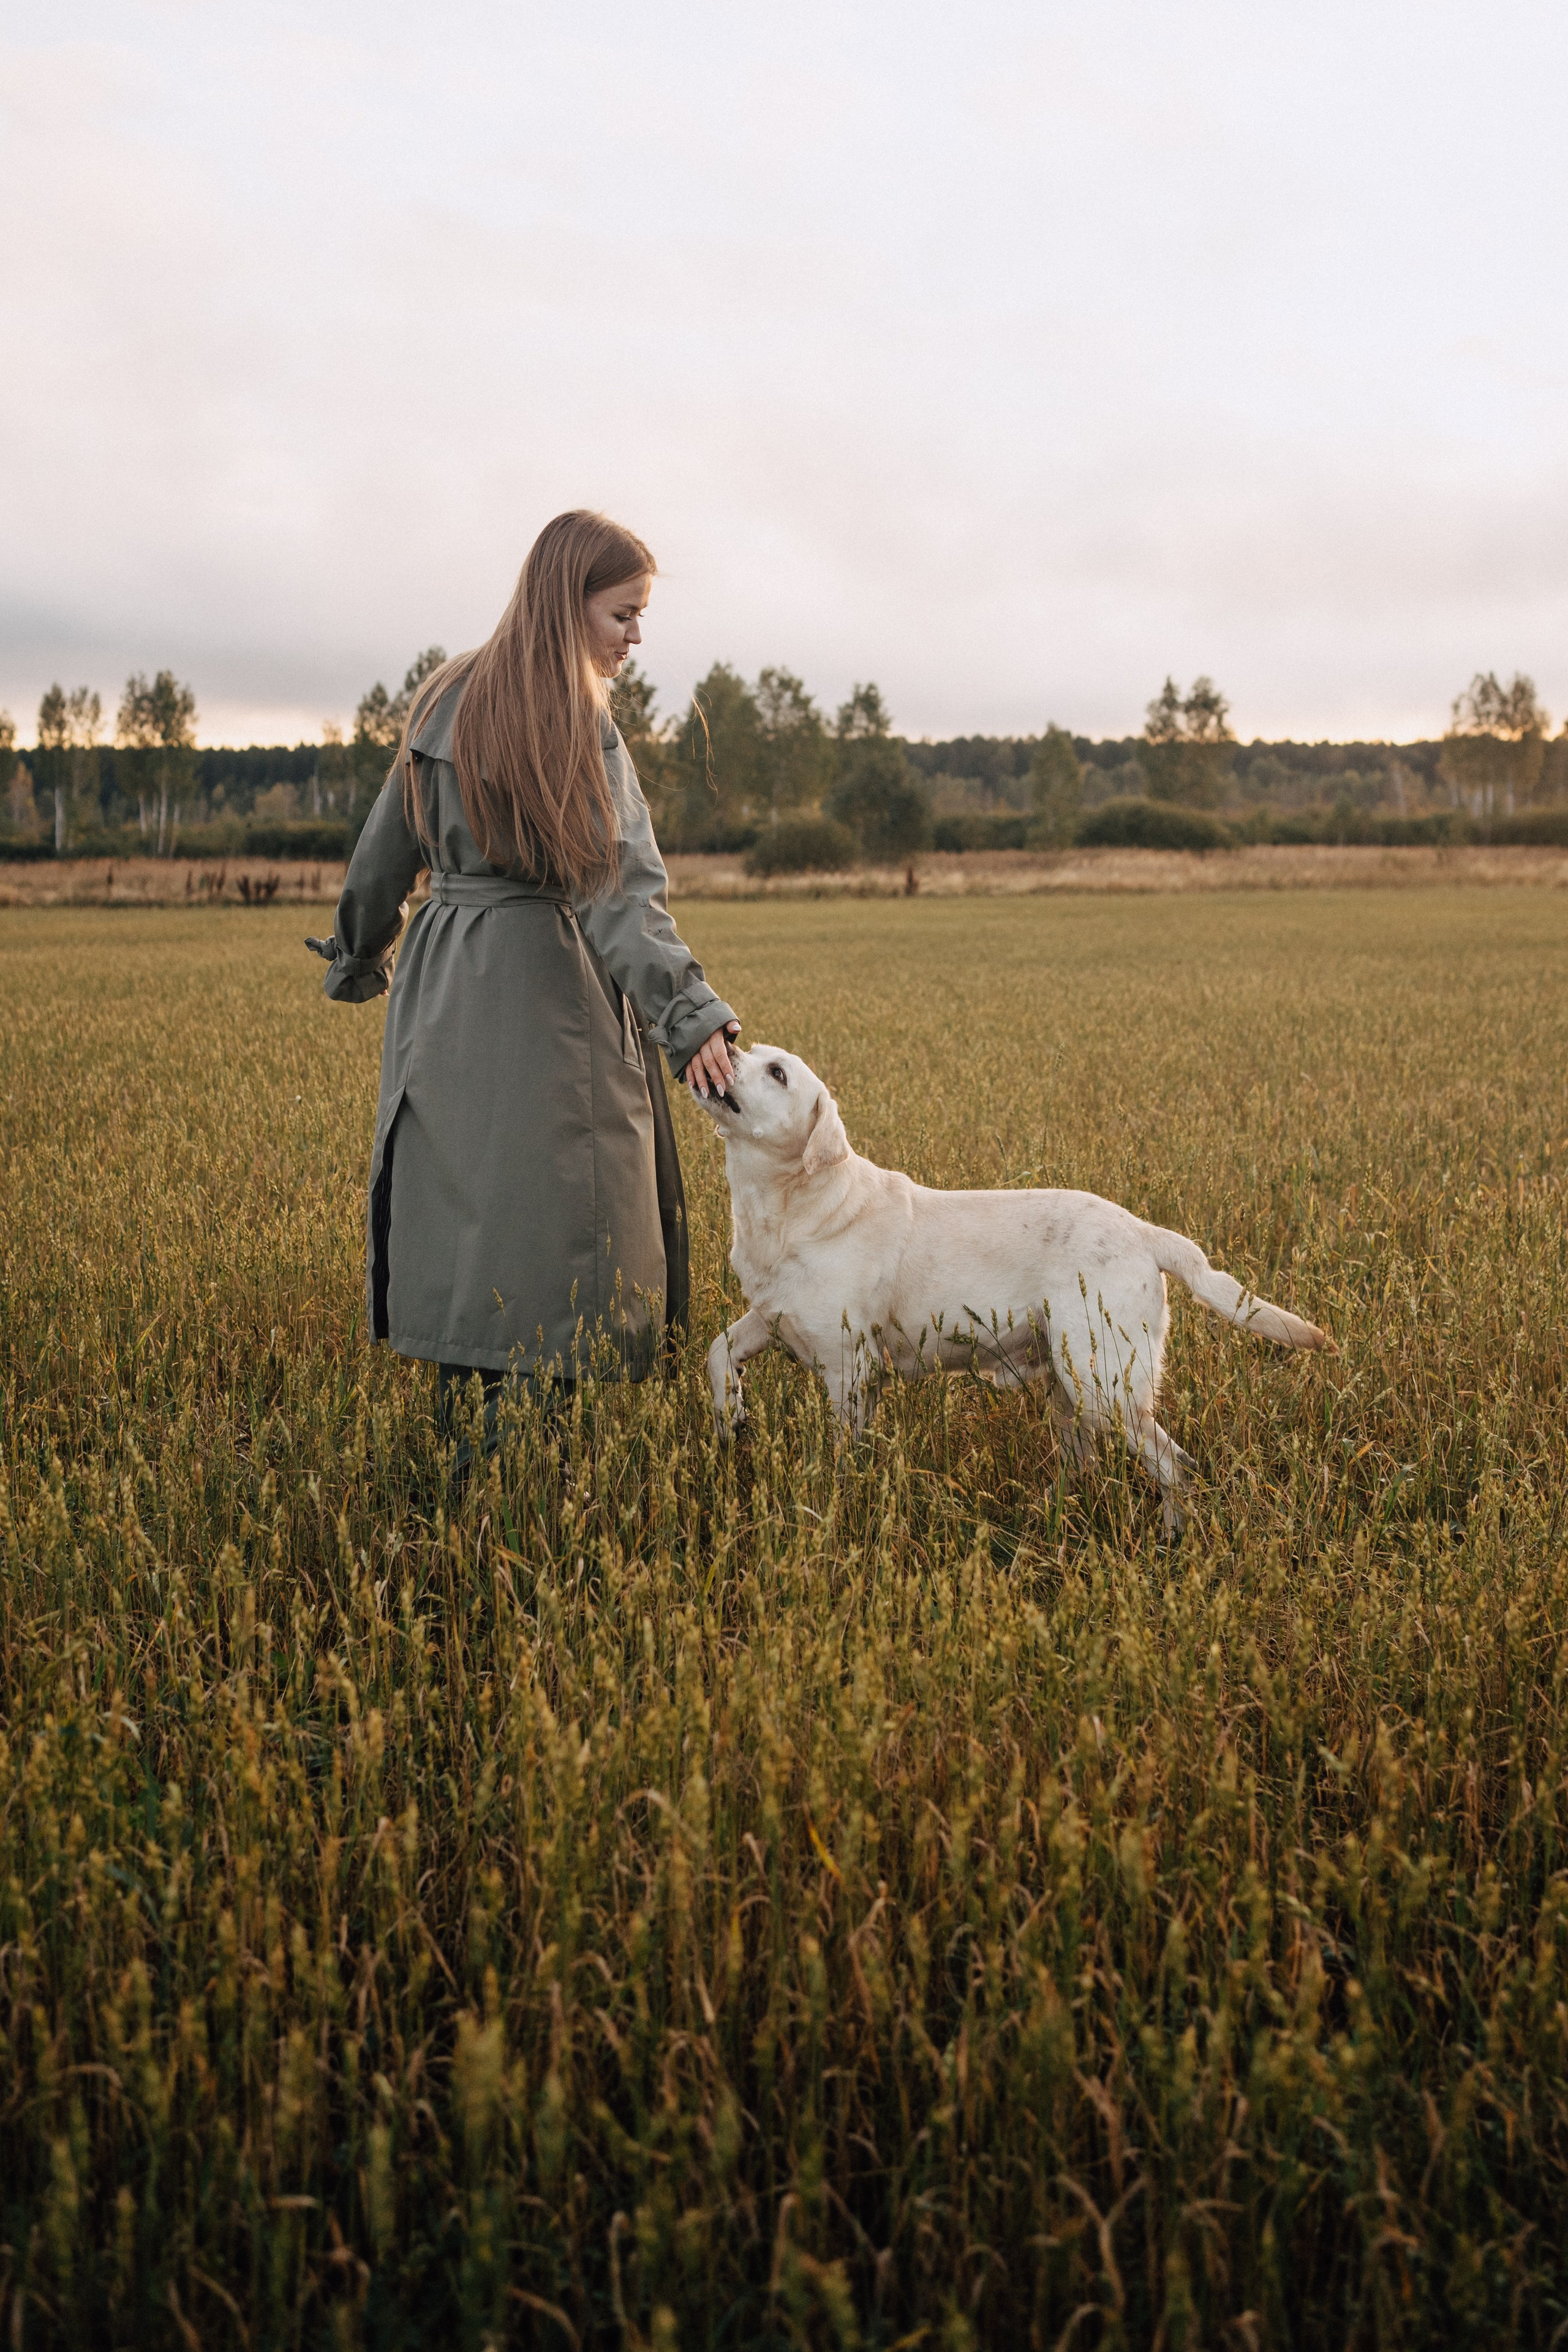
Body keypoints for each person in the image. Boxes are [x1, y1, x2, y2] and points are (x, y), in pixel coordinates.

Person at [312, 510, 739, 1461]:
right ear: (569, 602)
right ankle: (512, 1499)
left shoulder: (442, 698)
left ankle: (464, 1473)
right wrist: (688, 1017)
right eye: (623, 615)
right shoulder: (577, 722)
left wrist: (360, 953)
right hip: (552, 999)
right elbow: (620, 891)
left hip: (443, 991)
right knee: (555, 1236)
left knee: (471, 1225)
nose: (636, 638)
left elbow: (384, 855)